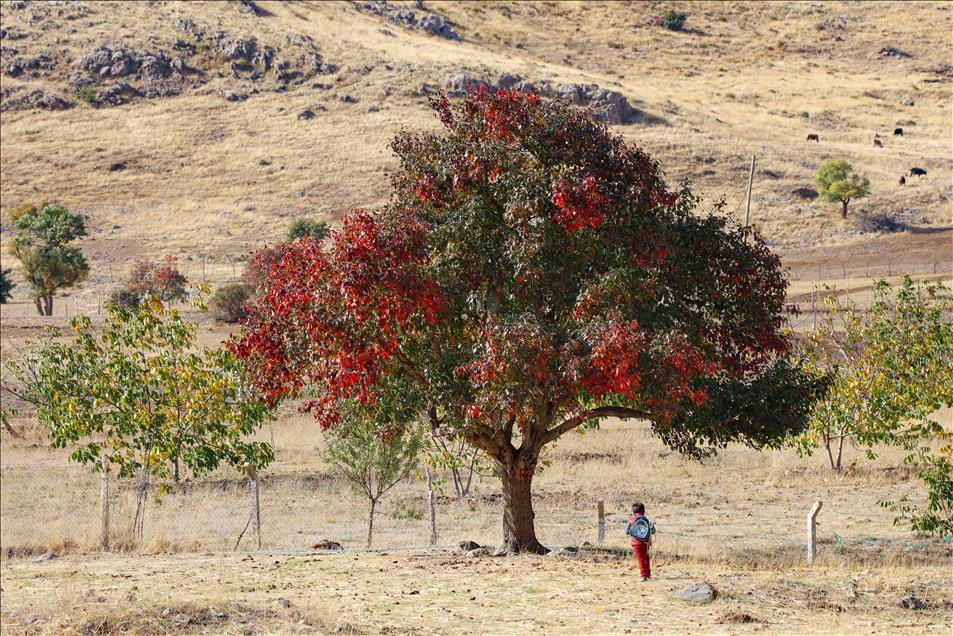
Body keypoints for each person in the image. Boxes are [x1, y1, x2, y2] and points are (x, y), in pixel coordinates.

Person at [626, 502, 655, 581]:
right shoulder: (646, 519)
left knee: (640, 559)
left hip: (636, 543)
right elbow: (653, 530)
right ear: (643, 511)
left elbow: (627, 531)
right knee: (646, 557)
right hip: (646, 542)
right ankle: (648, 574)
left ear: (633, 512)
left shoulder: (632, 520)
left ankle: (643, 575)